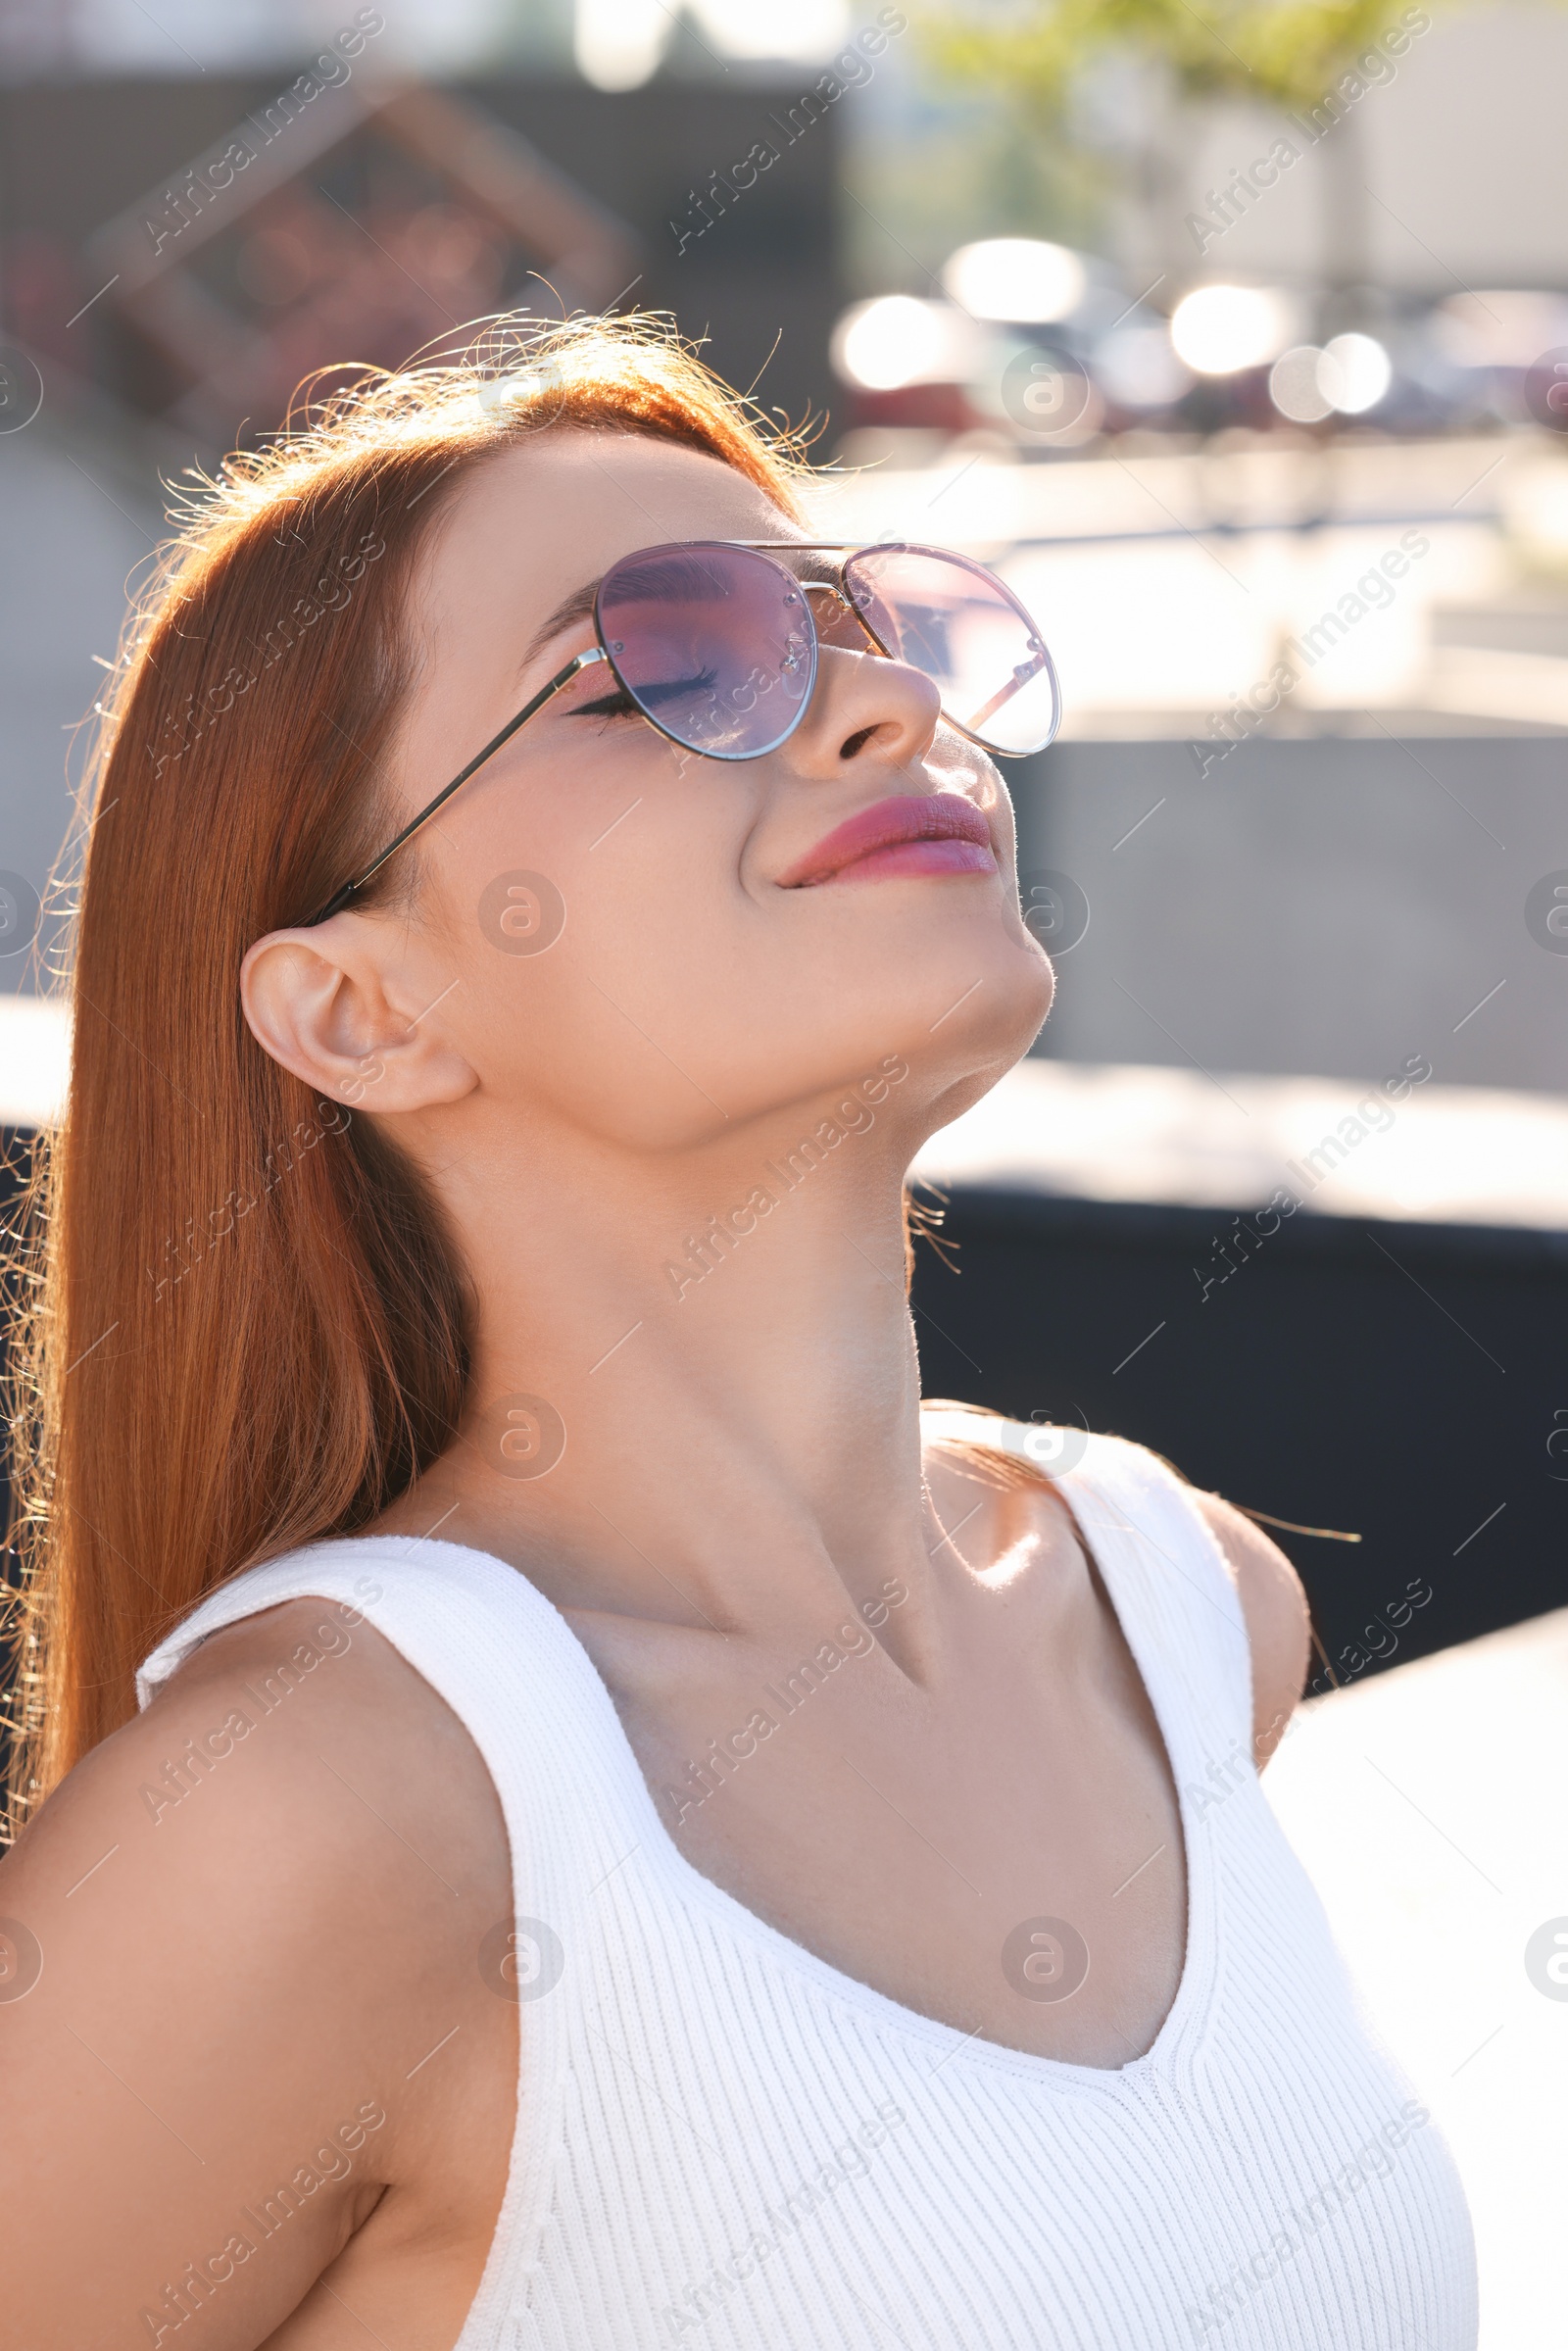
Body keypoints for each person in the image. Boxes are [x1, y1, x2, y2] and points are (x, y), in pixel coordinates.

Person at [0, 318, 1475, 2349]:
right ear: (363, 1010)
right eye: (655, 668)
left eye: (866, 630)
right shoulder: (321, 1811)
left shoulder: (1180, 1609)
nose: (882, 705)